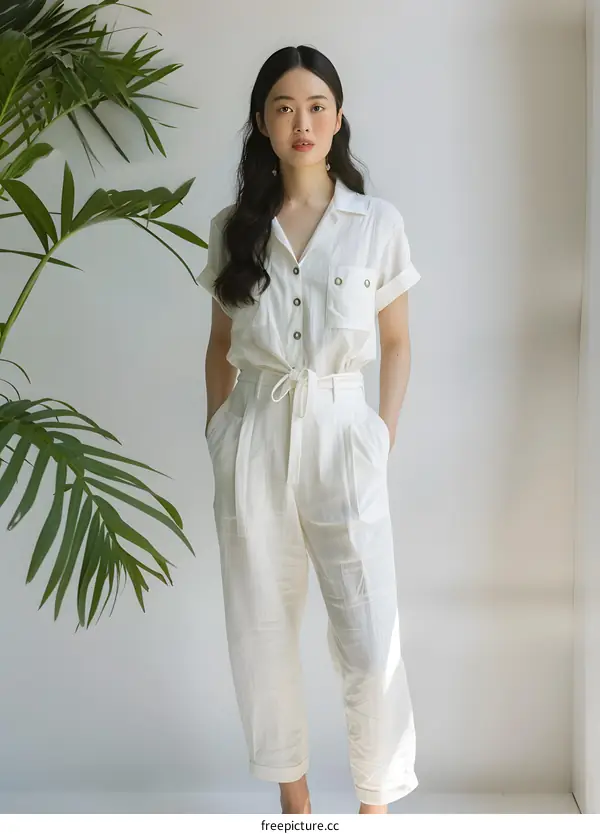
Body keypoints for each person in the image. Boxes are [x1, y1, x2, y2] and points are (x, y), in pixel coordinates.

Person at [198, 44, 421, 815]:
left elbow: (396, 343)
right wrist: (221, 436)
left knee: (368, 628)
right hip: (256, 432)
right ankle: (296, 807)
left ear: (338, 117)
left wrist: (379, 439)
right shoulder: (235, 226)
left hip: (343, 429)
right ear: (261, 122)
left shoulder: (375, 223)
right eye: (285, 106)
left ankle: (374, 807)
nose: (302, 120)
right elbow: (220, 347)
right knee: (261, 627)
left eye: (316, 104)